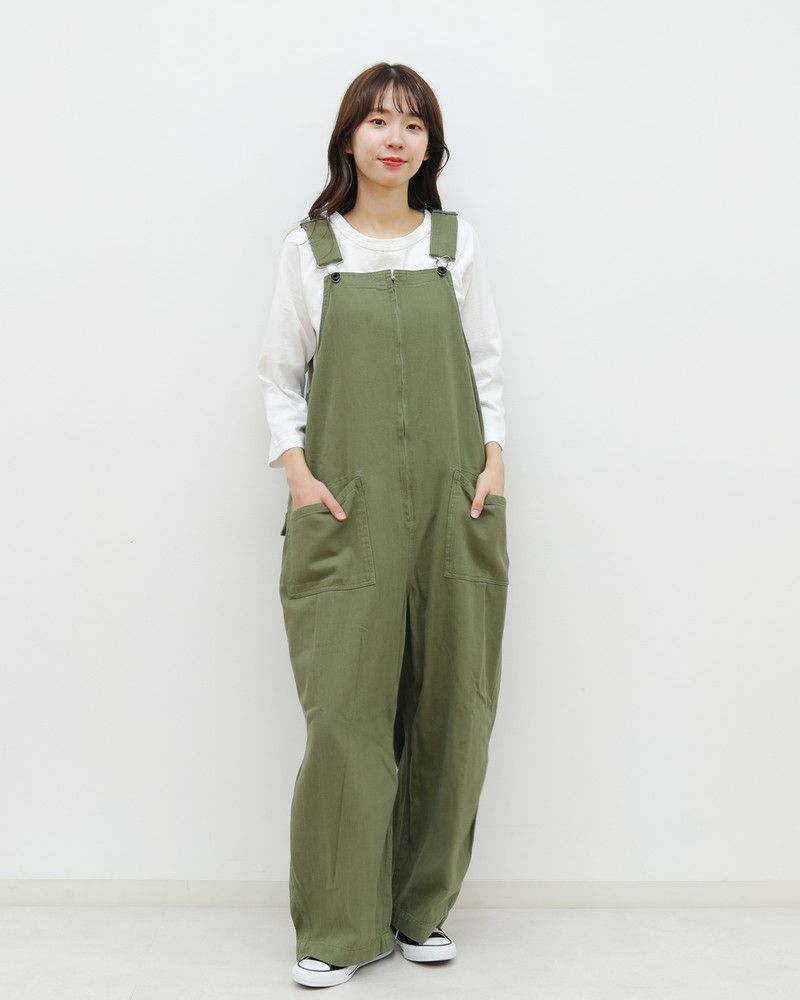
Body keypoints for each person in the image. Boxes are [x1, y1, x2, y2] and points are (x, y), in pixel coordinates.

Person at [256, 61, 510, 989]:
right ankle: (337, 927)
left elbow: (485, 366)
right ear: (350, 138)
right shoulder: (312, 249)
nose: (395, 138)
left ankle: (421, 909)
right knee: (346, 717)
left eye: (412, 124)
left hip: (456, 498)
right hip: (344, 505)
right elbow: (279, 378)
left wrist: (493, 462)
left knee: (454, 712)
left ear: (428, 146)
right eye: (378, 121)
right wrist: (298, 477)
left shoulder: (454, 244)